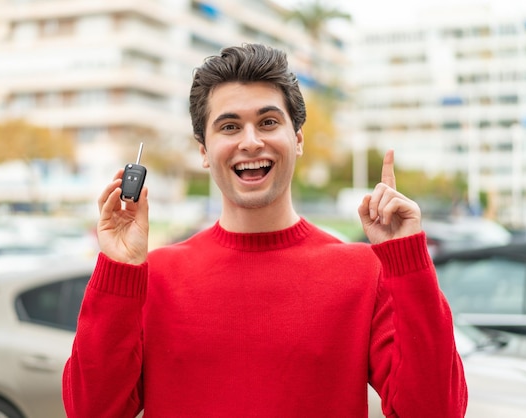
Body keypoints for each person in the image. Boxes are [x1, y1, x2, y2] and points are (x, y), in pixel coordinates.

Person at [62, 43, 467, 417]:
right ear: (203, 151)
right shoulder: (153, 275)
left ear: (298, 138)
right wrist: (118, 268)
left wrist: (408, 263)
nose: (251, 142)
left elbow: (436, 410)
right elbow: (91, 410)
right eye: (229, 127)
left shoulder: (364, 271)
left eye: (268, 121)